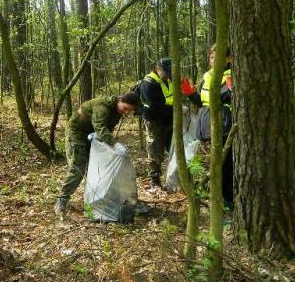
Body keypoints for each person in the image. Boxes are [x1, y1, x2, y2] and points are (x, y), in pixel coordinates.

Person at [54, 92, 145, 219]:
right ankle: (61, 200)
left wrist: (109, 145)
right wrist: (114, 144)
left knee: (98, 167)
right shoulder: (103, 105)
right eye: (126, 108)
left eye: (130, 111)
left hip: (93, 135)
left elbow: (108, 129)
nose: (126, 112)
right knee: (78, 168)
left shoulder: (117, 111)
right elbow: (100, 127)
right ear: (120, 100)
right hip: (77, 132)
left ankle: (98, 199)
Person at [181, 45, 234, 208]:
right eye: (211, 57)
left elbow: (230, 98)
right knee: (215, 162)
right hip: (206, 123)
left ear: (228, 59)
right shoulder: (207, 76)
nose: (213, 60)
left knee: (226, 163)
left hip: (224, 123)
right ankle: (217, 195)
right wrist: (191, 93)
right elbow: (203, 102)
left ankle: (227, 200)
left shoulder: (231, 76)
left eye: (218, 56)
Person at [139, 58, 174, 188]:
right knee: (155, 149)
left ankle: (176, 178)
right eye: (166, 72)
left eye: (170, 72)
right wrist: (175, 109)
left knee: (173, 148)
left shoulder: (169, 81)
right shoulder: (148, 83)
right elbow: (154, 106)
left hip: (168, 121)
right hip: (154, 122)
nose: (168, 74)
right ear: (158, 69)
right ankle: (155, 181)